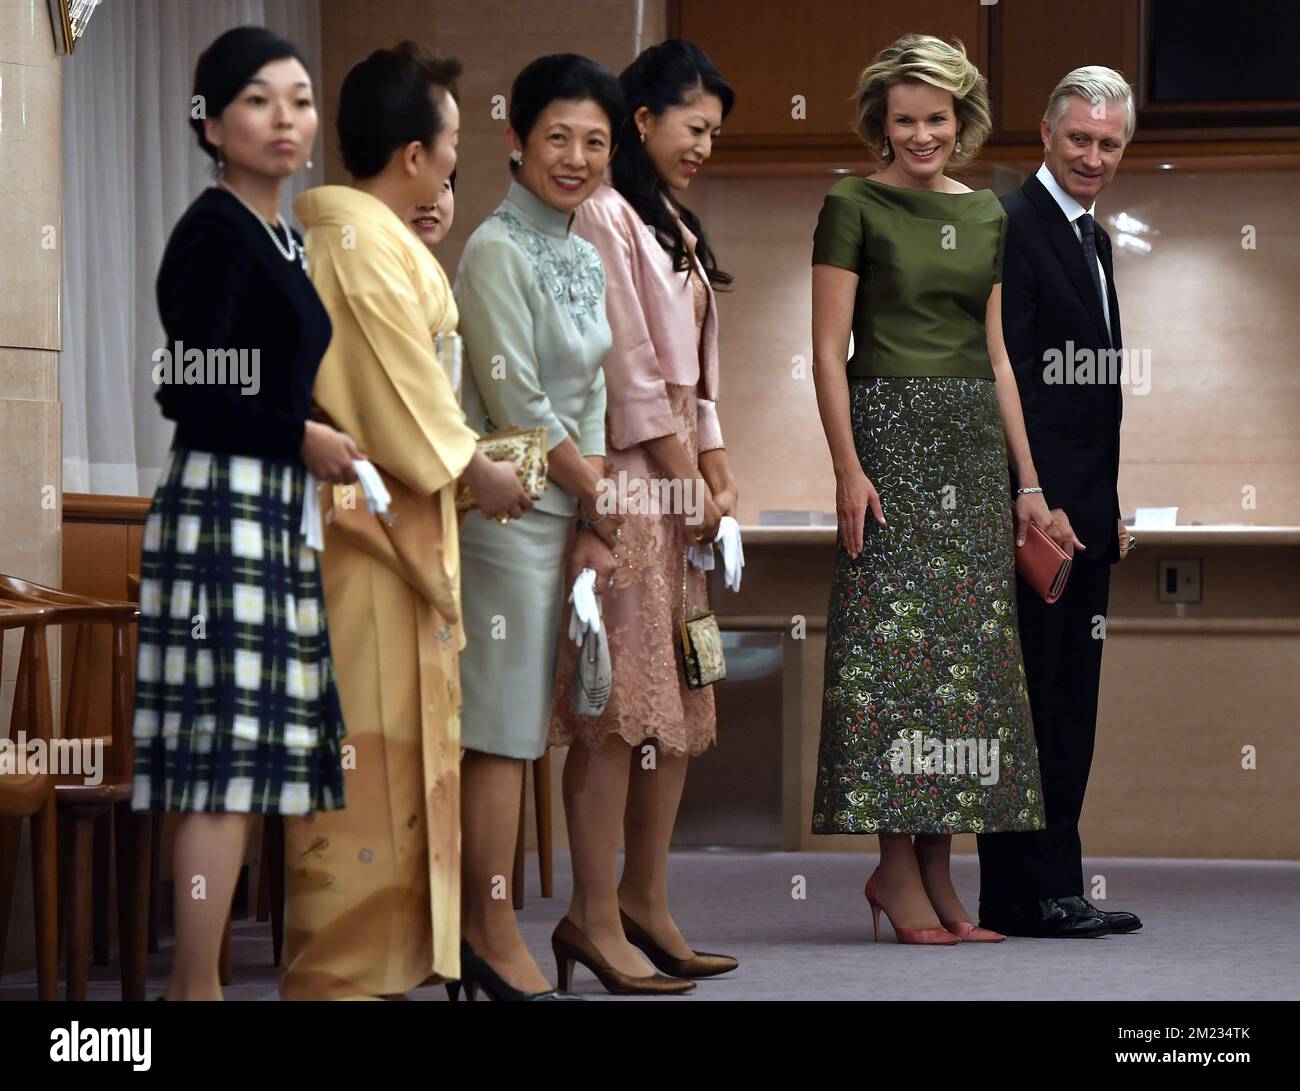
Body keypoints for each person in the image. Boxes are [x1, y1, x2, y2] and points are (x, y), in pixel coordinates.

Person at [280, 42, 531, 1001]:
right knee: (367, 753)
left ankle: (385, 967)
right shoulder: (352, 242)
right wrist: (474, 465)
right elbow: (402, 401)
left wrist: (466, 461)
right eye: (453, 144)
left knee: (400, 750)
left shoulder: (368, 239)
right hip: (359, 534)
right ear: (415, 154)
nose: (454, 165)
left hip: (388, 524)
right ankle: (343, 974)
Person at [131, 26, 359, 1001]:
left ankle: (200, 980)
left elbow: (262, 377)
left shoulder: (285, 233)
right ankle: (195, 985)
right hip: (221, 505)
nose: (286, 119)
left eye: (300, 99)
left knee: (251, 751)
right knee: (222, 758)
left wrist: (317, 425)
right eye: (260, 100)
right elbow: (186, 386)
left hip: (268, 505)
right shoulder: (213, 228)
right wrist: (297, 435)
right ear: (213, 122)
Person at [809, 33, 1050, 944]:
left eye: (936, 119)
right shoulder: (850, 203)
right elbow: (828, 354)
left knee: (963, 678)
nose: (921, 135)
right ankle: (892, 870)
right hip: (889, 450)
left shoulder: (987, 214)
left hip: (969, 454)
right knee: (894, 669)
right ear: (882, 121)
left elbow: (997, 359)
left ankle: (942, 876)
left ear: (962, 121)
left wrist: (1026, 482)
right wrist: (848, 467)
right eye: (904, 119)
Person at [548, 39, 740, 989]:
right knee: (617, 712)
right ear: (644, 120)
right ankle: (590, 914)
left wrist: (716, 469)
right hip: (625, 486)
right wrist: (681, 474)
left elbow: (702, 379)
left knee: (678, 701)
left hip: (678, 496)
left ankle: (646, 900)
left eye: (715, 134)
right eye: (694, 127)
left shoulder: (672, 220)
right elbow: (625, 372)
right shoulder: (603, 217)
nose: (704, 145)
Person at [451, 53, 625, 1001]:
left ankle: (494, 925)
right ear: (516, 140)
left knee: (535, 729)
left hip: (565, 511)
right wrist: (596, 490)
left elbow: (592, 386)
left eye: (595, 140)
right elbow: (515, 394)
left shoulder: (584, 249)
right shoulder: (494, 248)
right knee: (501, 730)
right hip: (505, 513)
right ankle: (486, 926)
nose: (577, 156)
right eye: (557, 135)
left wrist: (593, 517)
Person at [976, 67, 1143, 939]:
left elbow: (1091, 395)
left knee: (1071, 705)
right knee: (1030, 704)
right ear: (1045, 132)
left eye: (1109, 143)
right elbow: (1011, 380)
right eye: (1079, 138)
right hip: (1037, 518)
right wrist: (1033, 495)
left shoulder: (1096, 239)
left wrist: (1106, 499)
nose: (1093, 156)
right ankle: (1015, 893)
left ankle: (1060, 884)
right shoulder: (1010, 224)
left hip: (1087, 516)